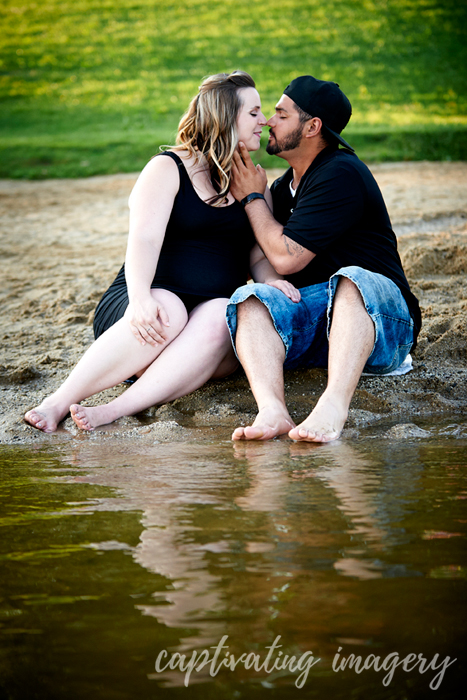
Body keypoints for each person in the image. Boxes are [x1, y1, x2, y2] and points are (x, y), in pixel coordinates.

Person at [24, 71, 300, 433]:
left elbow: (256, 255)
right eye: (253, 113)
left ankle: (113, 410)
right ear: (223, 117)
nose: (263, 121)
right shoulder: (168, 168)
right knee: (168, 309)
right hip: (142, 315)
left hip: (202, 342)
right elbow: (144, 240)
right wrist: (139, 298)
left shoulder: (254, 184)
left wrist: (271, 281)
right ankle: (56, 403)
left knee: (223, 313)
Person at [227, 75, 422, 443]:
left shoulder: (340, 173)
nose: (269, 120)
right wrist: (262, 200)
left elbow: (287, 258)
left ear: (312, 126)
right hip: (319, 329)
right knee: (248, 300)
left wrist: (253, 199)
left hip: (382, 324)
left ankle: (332, 406)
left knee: (351, 279)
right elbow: (266, 255)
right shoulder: (284, 187)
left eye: (281, 115)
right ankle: (272, 410)